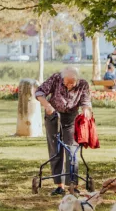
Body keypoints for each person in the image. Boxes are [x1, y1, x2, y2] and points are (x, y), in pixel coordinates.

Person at [35, 66, 93, 195]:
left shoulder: (83, 84)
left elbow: (86, 101)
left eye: (72, 83)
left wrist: (85, 111)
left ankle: (72, 184)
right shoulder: (56, 78)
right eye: (66, 83)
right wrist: (47, 105)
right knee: (55, 150)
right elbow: (39, 92)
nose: (68, 86)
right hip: (53, 115)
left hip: (71, 118)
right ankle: (59, 185)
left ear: (77, 79)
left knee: (72, 150)